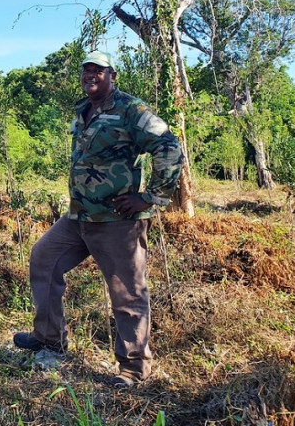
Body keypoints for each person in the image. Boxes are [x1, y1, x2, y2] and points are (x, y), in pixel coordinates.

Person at [13, 50, 184, 387]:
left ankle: (134, 368)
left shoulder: (131, 110)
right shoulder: (83, 111)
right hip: (79, 217)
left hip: (117, 221)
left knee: (127, 293)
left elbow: (168, 146)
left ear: (112, 75)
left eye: (98, 70)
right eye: (86, 70)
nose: (90, 75)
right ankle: (49, 338)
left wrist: (150, 197)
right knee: (43, 259)